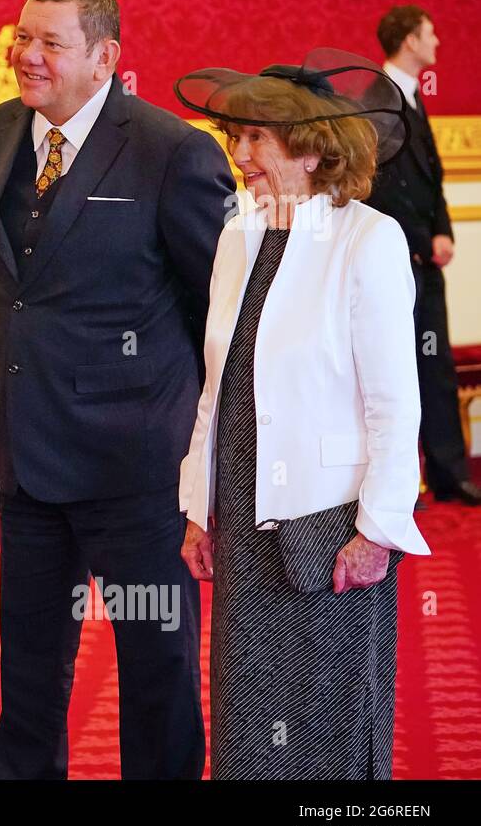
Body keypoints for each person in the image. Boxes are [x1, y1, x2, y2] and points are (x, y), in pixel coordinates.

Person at [0, 0, 234, 779]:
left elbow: (212, 311)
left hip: (137, 465)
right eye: (21, 37)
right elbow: (3, 288)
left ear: (105, 57)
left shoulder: (173, 150)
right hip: (27, 449)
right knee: (29, 660)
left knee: (155, 663)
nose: (26, 56)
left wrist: (187, 442)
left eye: (50, 42)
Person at [175, 48, 431, 779]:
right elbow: (214, 387)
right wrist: (197, 507)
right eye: (235, 137)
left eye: (255, 137)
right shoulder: (238, 236)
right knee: (247, 733)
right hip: (244, 524)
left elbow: (392, 404)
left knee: (328, 731)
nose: (238, 154)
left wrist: (378, 529)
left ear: (313, 150)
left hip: (328, 533)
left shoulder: (368, 239)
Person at [366, 5, 479, 506]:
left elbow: (431, 179)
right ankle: (395, 485)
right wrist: (416, 242)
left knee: (436, 368)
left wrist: (444, 231)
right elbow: (381, 188)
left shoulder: (412, 97)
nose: (438, 42)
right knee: (390, 374)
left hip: (423, 264)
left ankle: (449, 474)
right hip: (397, 265)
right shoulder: (377, 100)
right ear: (410, 41)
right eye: (431, 33)